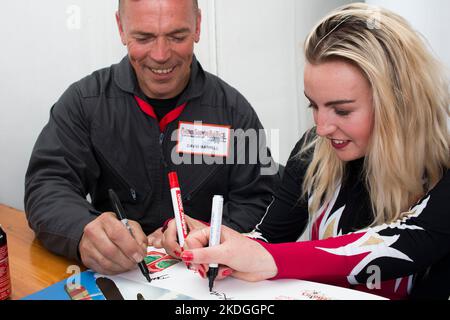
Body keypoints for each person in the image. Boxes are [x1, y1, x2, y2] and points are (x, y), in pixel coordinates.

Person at [172, 3, 450, 300]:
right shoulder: (313, 152)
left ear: (398, 103)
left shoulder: (441, 167)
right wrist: (225, 247)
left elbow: (405, 241)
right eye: (313, 105)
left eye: (342, 110)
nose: (322, 128)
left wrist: (265, 259)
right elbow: (269, 238)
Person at [24, 0, 279, 275]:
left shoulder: (234, 111)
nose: (160, 55)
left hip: (205, 280)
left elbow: (264, 198)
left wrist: (208, 234)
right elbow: (47, 185)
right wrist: (83, 230)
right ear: (121, 29)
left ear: (198, 27)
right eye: (144, 38)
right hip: (119, 277)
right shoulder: (84, 103)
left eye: (177, 36)